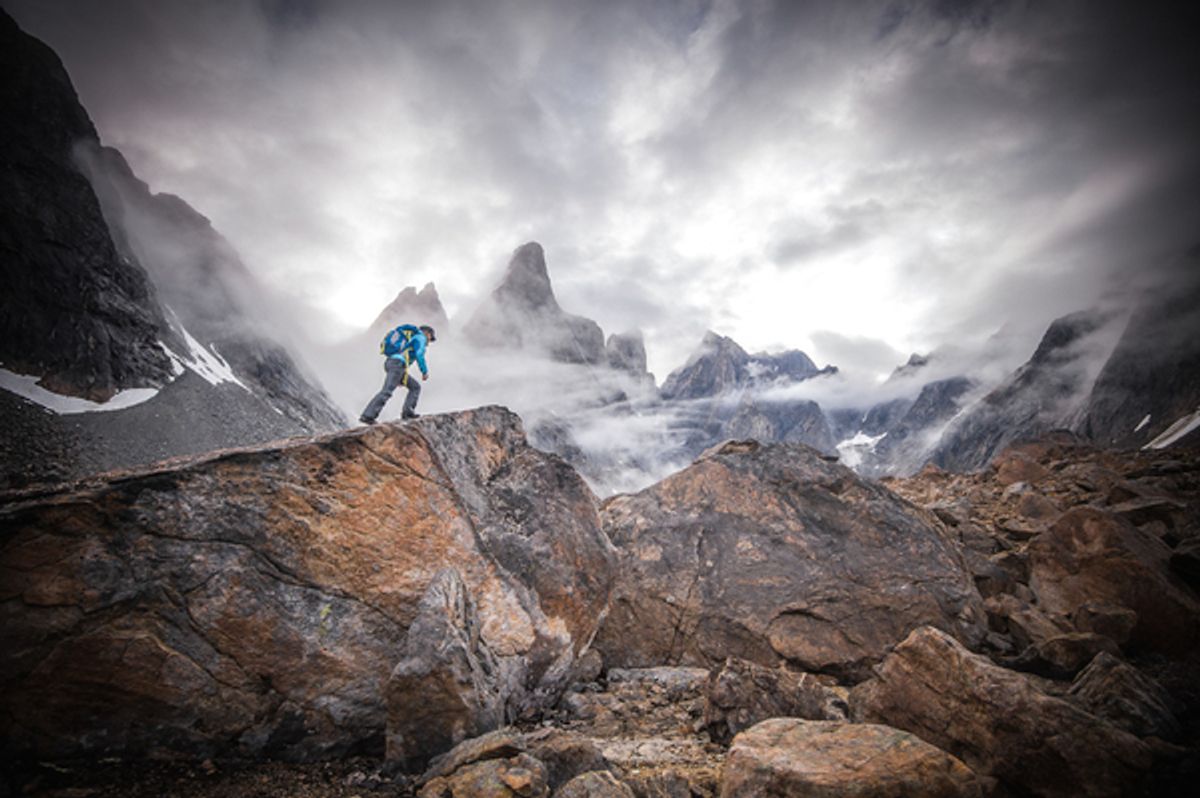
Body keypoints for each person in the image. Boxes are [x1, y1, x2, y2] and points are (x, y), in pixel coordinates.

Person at [359, 323, 436, 425]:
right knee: (387, 391)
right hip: (397, 365)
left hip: (394, 364)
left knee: (415, 387)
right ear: (427, 334)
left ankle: (407, 412)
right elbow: (419, 354)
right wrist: (424, 371)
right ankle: (368, 416)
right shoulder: (420, 337)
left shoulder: (412, 338)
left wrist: (401, 376)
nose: (429, 342)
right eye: (430, 338)